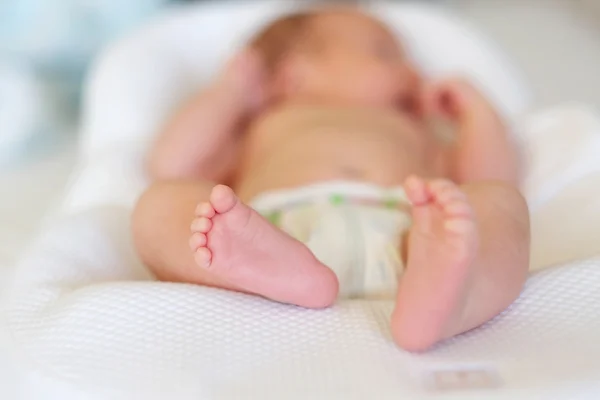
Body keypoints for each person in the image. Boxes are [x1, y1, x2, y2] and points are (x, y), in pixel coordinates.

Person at [132, 6, 530, 352]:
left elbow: (490, 178)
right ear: (293, 77)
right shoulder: (262, 125)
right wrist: (232, 90)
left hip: (417, 240)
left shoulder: (416, 130)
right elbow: (170, 163)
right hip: (270, 233)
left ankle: (450, 298)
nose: (414, 72)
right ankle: (274, 272)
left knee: (499, 202)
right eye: (386, 54)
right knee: (158, 204)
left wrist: (474, 111)